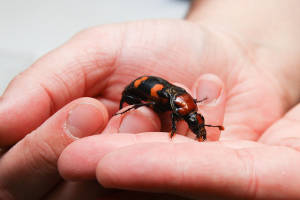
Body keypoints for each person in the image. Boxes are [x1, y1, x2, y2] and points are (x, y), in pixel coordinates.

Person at [1, 0, 300, 199]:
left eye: (193, 120)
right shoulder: (176, 104)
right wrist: (243, 43)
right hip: (139, 88)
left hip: (153, 89)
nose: (194, 121)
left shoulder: (184, 105)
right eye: (193, 120)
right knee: (140, 110)